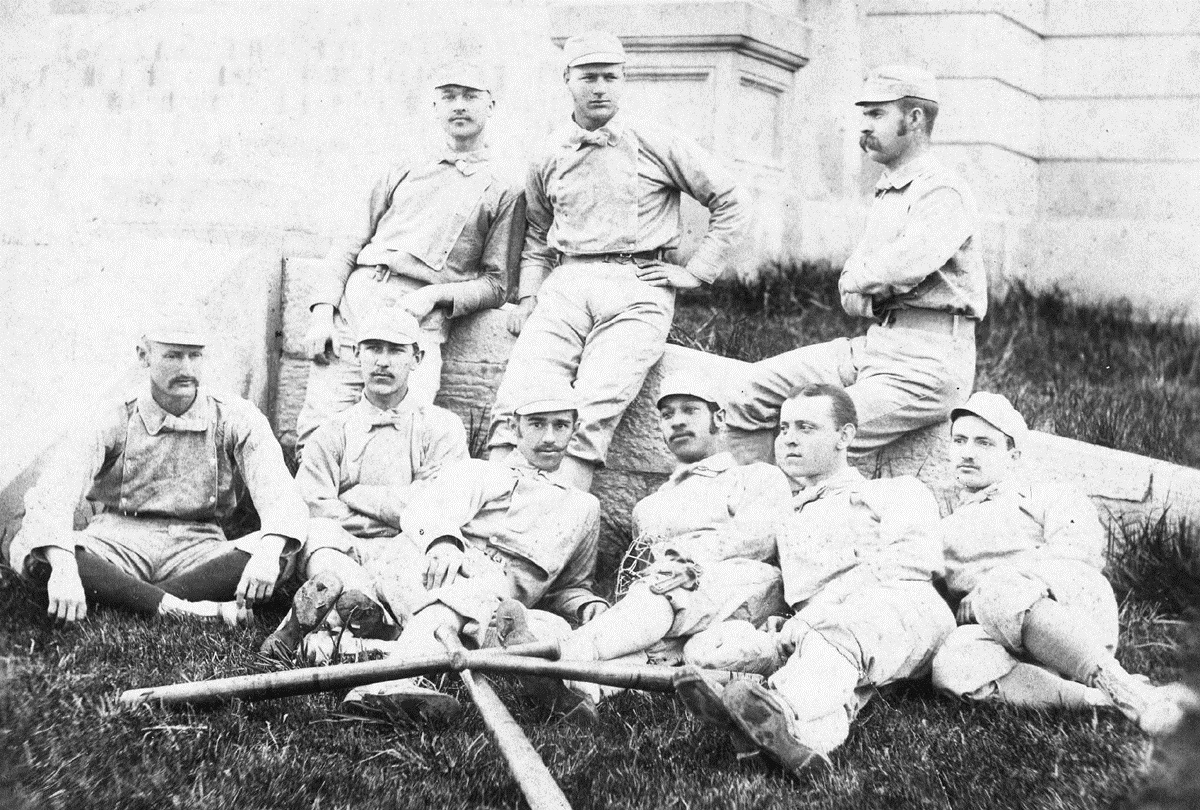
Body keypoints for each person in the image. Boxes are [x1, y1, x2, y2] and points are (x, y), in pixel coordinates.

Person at [485, 31, 747, 491]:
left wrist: (696, 272)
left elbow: (729, 199)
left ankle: (558, 526)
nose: (600, 87)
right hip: (567, 282)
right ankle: (490, 508)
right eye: (589, 77)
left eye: (611, 77)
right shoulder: (549, 151)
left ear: (624, 80)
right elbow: (538, 234)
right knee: (521, 395)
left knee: (593, 406)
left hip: (637, 284)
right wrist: (529, 296)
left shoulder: (655, 141)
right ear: (568, 79)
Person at [673, 384, 954, 777]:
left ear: (845, 436)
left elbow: (913, 560)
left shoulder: (892, 490)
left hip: (901, 607)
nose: (788, 438)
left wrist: (816, 614)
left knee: (834, 635)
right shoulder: (788, 517)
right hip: (824, 636)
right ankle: (793, 745)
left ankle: (774, 704)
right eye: (784, 428)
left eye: (805, 427)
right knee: (725, 650)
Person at [724, 65, 985, 463]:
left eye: (876, 114)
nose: (863, 126)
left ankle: (778, 515)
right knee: (749, 389)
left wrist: (866, 280)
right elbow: (851, 292)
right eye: (864, 114)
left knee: (821, 435)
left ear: (914, 118)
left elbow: (903, 266)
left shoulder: (942, 190)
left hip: (929, 366)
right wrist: (868, 286)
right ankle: (746, 500)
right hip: (874, 346)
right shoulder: (889, 191)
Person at [512, 374, 791, 715]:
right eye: (667, 414)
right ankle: (581, 695)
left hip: (741, 586)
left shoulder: (756, 477)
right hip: (674, 608)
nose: (678, 421)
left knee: (661, 593)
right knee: (654, 644)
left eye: (690, 409)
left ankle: (559, 661)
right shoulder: (649, 507)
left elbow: (757, 539)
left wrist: (687, 563)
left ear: (718, 418)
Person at [327, 394, 609, 723]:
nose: (549, 437)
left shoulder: (583, 508)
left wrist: (586, 605)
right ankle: (387, 684)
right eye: (536, 424)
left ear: (574, 431)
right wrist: (444, 542)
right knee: (473, 594)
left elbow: (570, 586)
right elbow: (425, 512)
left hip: (494, 605)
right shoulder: (479, 473)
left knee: (550, 627)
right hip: (430, 573)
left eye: (560, 425)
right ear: (514, 429)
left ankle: (360, 647)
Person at [9, 317, 307, 626]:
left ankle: (134, 599)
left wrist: (268, 553)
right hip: (117, 539)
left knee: (283, 553)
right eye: (173, 356)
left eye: (195, 355)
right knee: (30, 543)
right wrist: (65, 569)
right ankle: (187, 608)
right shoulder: (113, 414)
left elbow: (280, 494)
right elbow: (54, 491)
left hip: (199, 545)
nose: (187, 369)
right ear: (144, 356)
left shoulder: (236, 416)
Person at [294, 62, 525, 456]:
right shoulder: (403, 165)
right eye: (449, 96)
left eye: (471, 96)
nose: (459, 106)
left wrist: (435, 296)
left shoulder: (505, 187)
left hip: (418, 320)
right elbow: (349, 244)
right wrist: (321, 312)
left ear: (491, 105)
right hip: (356, 308)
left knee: (402, 436)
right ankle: (321, 515)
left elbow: (497, 284)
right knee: (320, 435)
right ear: (435, 105)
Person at [930, 392, 1189, 734]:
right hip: (1009, 640)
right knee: (949, 664)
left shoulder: (1046, 494)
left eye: (983, 443)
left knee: (999, 591)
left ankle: (1126, 691)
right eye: (959, 440)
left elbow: (1079, 551)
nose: (967, 452)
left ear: (1013, 455)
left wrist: (999, 589)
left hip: (1073, 614)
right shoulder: (942, 530)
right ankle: (1096, 699)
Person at [260, 308, 469, 658]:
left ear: (417, 358)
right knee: (320, 540)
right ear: (356, 354)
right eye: (373, 348)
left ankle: (326, 633)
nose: (382, 362)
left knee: (432, 555)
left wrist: (355, 496)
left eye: (396, 350)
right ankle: (363, 618)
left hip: (408, 549)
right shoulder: (332, 431)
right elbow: (313, 505)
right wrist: (396, 510)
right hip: (345, 549)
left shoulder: (442, 427)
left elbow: (440, 504)